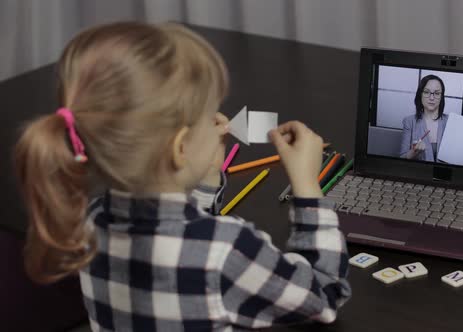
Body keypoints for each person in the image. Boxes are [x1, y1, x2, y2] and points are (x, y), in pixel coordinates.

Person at [14, 22, 350, 331]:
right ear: (179, 148)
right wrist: (308, 188)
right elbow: (324, 295)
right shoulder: (226, 249)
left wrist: (204, 180)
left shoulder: (87, 223)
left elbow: (182, 236)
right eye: (209, 115)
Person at [400, 75, 463, 162]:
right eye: (426, 92)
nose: (431, 98)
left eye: (436, 93)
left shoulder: (452, 122)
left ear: (441, 96)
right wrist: (414, 152)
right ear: (420, 94)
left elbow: (459, 160)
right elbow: (402, 157)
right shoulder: (409, 122)